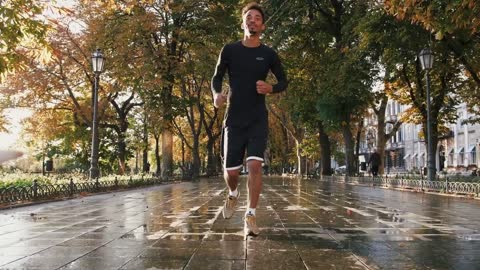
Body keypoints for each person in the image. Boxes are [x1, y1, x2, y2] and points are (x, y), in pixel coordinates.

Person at [211, 2, 288, 237]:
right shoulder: (229, 50)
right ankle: (233, 194)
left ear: (262, 26)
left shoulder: (268, 54)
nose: (252, 20)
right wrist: (216, 95)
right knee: (231, 173)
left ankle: (251, 214)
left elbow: (284, 81)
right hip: (233, 119)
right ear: (243, 22)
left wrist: (270, 88)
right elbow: (216, 76)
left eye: (257, 18)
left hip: (257, 119)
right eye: (249, 17)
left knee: (255, 165)